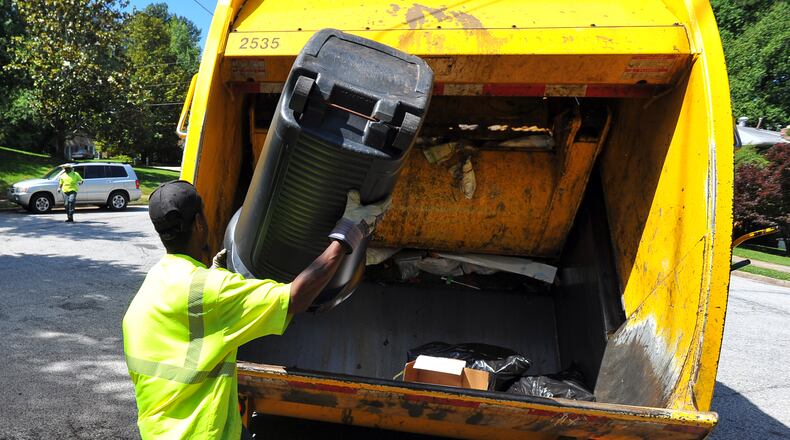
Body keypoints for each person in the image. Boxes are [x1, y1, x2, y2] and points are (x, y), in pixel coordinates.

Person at [122, 180, 391, 439]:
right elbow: (295, 298)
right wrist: (348, 233)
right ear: (199, 223)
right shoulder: (210, 291)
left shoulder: (150, 288)